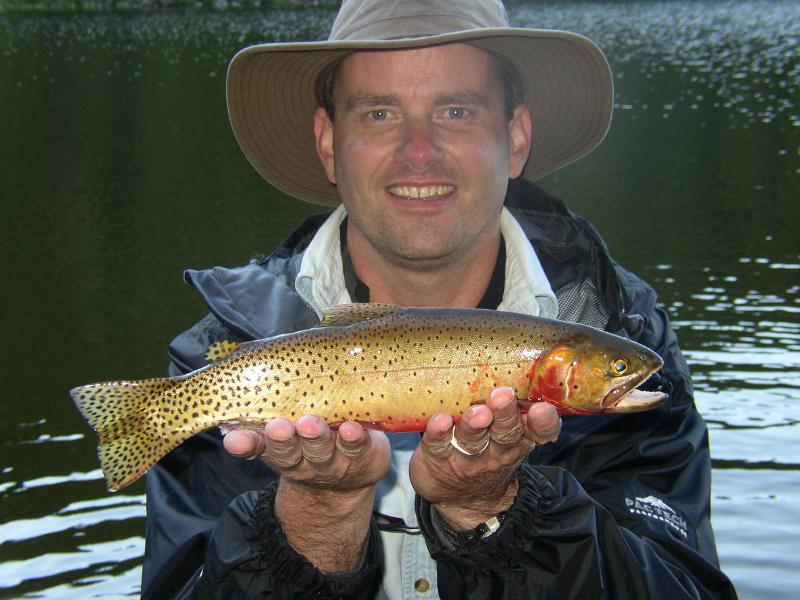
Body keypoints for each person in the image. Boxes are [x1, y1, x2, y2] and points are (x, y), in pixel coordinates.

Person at [141, 0, 737, 598]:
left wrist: (499, 515)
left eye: (455, 111)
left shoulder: (622, 324)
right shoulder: (231, 353)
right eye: (379, 113)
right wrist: (314, 518)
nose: (418, 151)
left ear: (516, 137)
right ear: (328, 144)